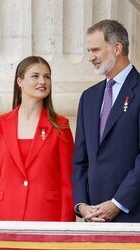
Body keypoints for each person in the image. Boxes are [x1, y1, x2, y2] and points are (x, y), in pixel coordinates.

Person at [0, 56, 75, 221]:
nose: (42, 81)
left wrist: (66, 228)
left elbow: (68, 182)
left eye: (47, 77)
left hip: (47, 218)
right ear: (20, 81)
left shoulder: (60, 125)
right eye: (35, 76)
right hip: (6, 216)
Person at [72, 19, 140, 222]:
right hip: (93, 219)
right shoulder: (88, 97)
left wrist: (117, 203)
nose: (90, 58)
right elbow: (80, 159)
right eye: (88, 51)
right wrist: (81, 205)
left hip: (133, 215)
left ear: (117, 48)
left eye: (96, 50)